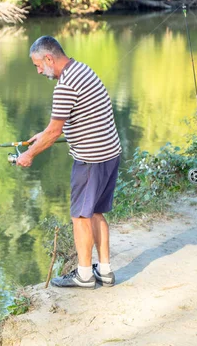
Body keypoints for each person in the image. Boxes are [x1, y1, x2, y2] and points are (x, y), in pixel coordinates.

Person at [16, 36, 122, 288]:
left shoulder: (65, 86)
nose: (39, 70)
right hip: (110, 153)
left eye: (38, 65)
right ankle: (104, 271)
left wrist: (28, 155)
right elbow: (66, 122)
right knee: (96, 212)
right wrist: (41, 136)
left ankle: (84, 274)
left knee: (80, 217)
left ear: (49, 59)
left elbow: (55, 132)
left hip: (90, 160)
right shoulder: (82, 70)